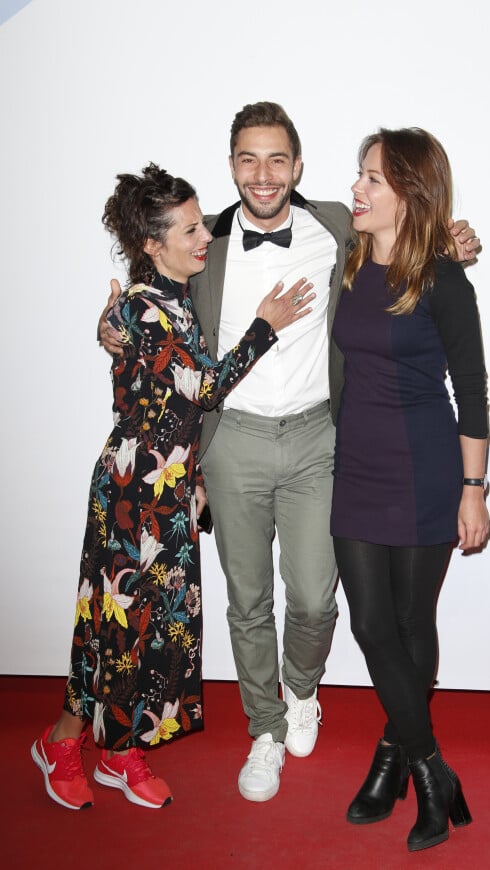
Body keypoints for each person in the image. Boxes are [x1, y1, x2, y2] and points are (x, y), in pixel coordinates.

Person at [100, 102, 480, 804]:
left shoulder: (338, 223)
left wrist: (454, 239)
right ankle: (266, 729)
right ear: (232, 165)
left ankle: (302, 691)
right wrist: (113, 324)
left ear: (298, 166)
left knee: (313, 597)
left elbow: (414, 236)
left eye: (278, 159)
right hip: (233, 441)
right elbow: (150, 295)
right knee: (248, 601)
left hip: (318, 438)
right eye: (248, 158)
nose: (264, 174)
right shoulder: (203, 241)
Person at [31, 163, 314, 812]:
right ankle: (63, 742)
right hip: (131, 495)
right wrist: (266, 326)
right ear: (153, 245)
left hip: (173, 495)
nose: (203, 237)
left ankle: (124, 750)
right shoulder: (140, 306)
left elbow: (173, 405)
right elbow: (203, 388)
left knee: (162, 629)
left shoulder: (177, 298)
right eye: (190, 229)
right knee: (112, 626)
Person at [330, 128, 490, 852]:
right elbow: (253, 213)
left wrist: (473, 489)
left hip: (426, 467)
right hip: (357, 465)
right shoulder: (352, 254)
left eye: (372, 180)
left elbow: (474, 391)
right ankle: (431, 768)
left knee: (408, 618)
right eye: (359, 176)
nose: (357, 190)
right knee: (369, 625)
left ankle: (394, 759)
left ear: (410, 195)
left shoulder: (445, 279)